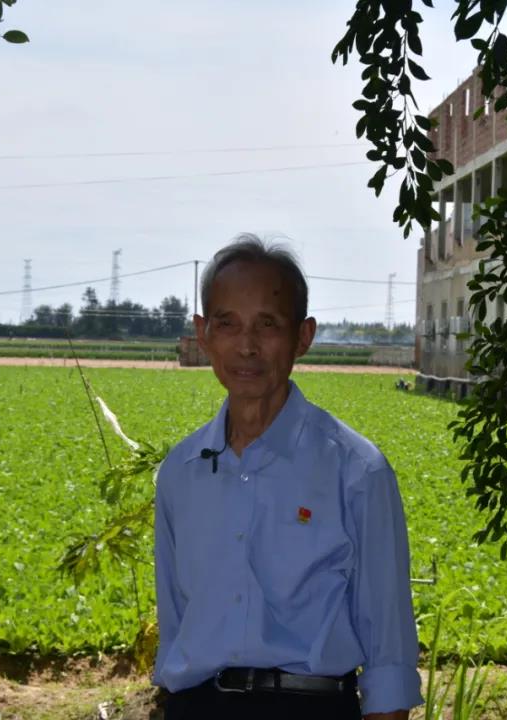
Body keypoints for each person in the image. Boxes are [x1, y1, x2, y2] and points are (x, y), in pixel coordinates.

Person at [153, 234, 422, 720]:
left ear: (303, 336)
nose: (247, 346)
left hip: (310, 705)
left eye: (268, 324)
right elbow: (174, 628)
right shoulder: (181, 472)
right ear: (203, 333)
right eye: (227, 323)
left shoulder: (357, 471)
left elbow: (389, 658)